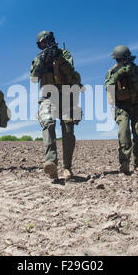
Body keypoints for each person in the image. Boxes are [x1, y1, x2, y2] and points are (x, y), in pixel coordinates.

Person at [30, 31, 82, 181]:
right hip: (48, 96)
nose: (43, 46)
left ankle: (67, 167)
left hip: (67, 96)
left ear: (51, 40)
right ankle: (51, 164)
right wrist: (43, 60)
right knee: (48, 123)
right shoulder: (38, 58)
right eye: (41, 45)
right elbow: (33, 78)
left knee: (68, 130)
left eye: (45, 43)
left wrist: (57, 56)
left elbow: (70, 71)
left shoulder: (65, 54)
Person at [105, 45, 138, 174]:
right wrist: (119, 74)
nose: (119, 62)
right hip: (122, 106)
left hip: (137, 104)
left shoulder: (137, 70)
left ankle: (137, 164)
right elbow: (108, 87)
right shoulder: (112, 71)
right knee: (124, 133)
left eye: (121, 60)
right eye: (117, 60)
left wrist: (132, 76)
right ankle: (124, 163)